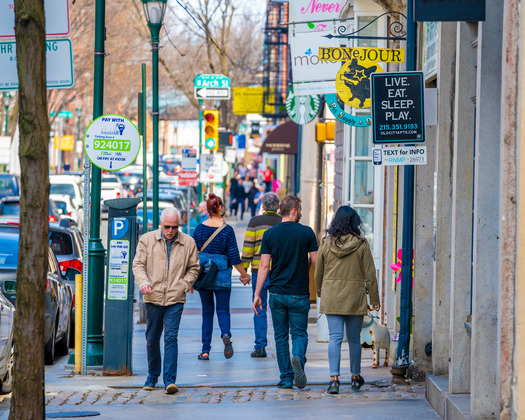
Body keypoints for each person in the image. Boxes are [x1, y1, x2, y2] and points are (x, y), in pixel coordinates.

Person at [314, 206, 380, 394]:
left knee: (334, 338)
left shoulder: (326, 243)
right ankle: (355, 377)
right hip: (354, 296)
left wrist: (321, 292)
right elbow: (370, 274)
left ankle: (334, 379)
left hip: (332, 294)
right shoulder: (361, 244)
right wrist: (374, 298)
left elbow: (319, 272)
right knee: (353, 339)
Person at [133, 207, 200, 394]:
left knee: (171, 338)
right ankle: (152, 376)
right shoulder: (146, 240)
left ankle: (169, 380)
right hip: (152, 297)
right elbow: (138, 264)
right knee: (152, 339)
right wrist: (144, 282)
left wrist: (184, 284)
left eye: (174, 227)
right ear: (160, 224)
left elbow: (194, 267)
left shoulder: (188, 242)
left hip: (175, 298)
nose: (170, 231)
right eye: (167, 226)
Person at [253, 196, 318, 389]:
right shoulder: (306, 233)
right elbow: (317, 263)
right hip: (299, 293)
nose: (301, 212)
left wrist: (257, 294)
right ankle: (297, 356)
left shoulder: (270, 234)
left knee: (280, 336)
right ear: (294, 211)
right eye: (300, 209)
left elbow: (264, 266)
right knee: (299, 333)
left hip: (277, 293)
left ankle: (286, 378)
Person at [193, 194, 250, 360]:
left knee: (207, 312)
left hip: (203, 276)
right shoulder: (227, 230)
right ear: (218, 208)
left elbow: (192, 255)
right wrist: (244, 274)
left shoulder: (199, 229)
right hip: (222, 276)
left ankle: (205, 350)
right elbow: (233, 256)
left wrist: (189, 279)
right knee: (223, 309)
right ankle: (225, 334)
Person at [241, 193, 281, 358]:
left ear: (263, 206)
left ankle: (260, 346)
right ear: (278, 207)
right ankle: (281, 345)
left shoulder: (254, 222)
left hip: (259, 271)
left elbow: (248, 247)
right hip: (279, 271)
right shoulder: (282, 222)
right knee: (279, 309)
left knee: (260, 307)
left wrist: (244, 271)